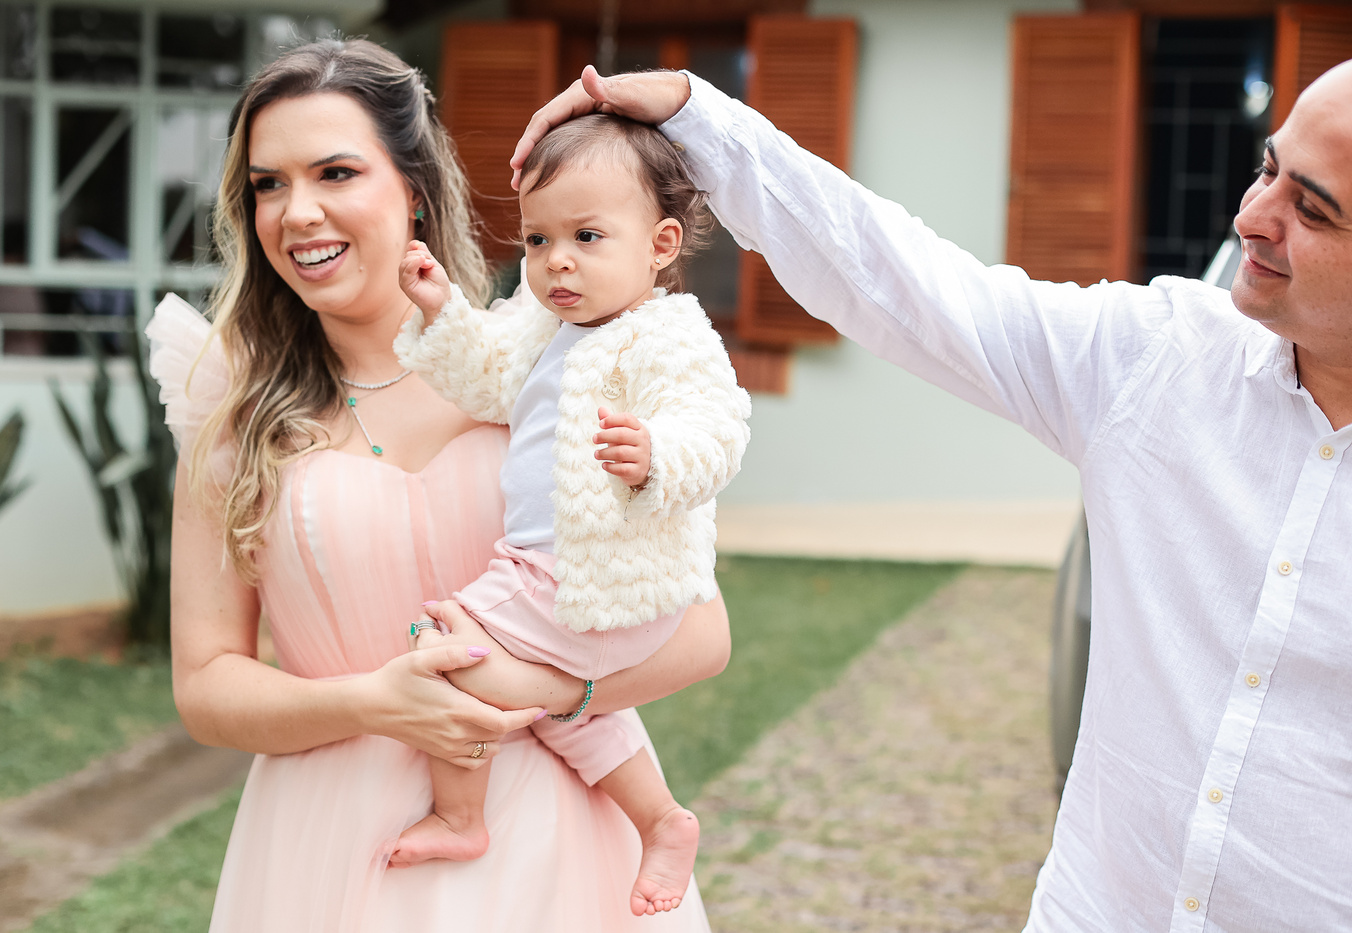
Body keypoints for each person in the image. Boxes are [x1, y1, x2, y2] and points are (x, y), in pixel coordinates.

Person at [510, 60, 1352, 932]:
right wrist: (699, 114)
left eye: (1313, 209)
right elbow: (902, 278)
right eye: (1267, 169)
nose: (1253, 217)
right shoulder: (1160, 360)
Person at [149, 40, 726, 932]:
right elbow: (206, 684)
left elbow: (702, 632)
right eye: (268, 185)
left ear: (412, 188)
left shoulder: (547, 364)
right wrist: (374, 703)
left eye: (336, 172)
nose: (298, 212)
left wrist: (541, 689)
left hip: (563, 839)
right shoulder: (232, 412)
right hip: (335, 843)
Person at [390, 113, 751, 917]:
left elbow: (719, 428)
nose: (557, 260)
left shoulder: (667, 336)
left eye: (587, 237)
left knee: (441, 647)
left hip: (590, 574)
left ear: (659, 245)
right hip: (548, 575)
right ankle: (661, 818)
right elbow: (486, 380)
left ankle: (461, 813)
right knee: (570, 715)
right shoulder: (544, 325)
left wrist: (657, 454)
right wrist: (441, 310)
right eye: (537, 239)